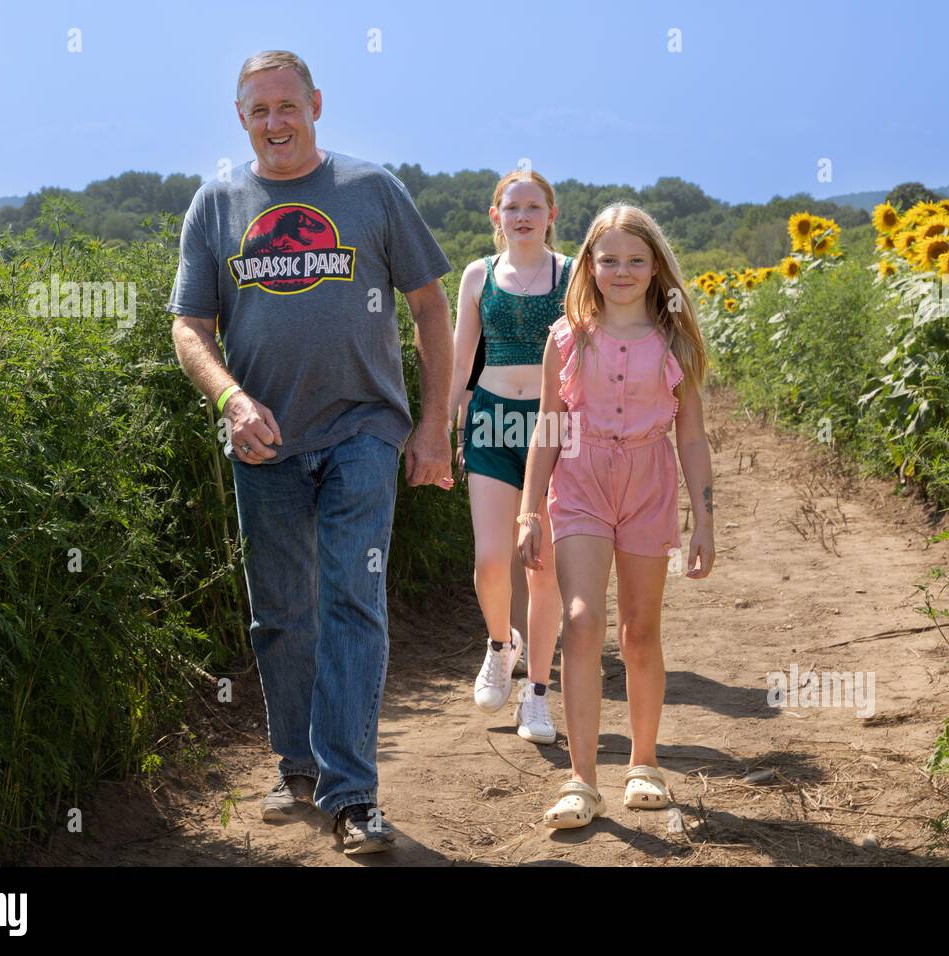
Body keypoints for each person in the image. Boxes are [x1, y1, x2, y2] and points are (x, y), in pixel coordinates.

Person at [168, 50, 454, 855]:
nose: (274, 123)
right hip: (265, 442)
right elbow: (190, 326)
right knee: (280, 611)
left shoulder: (371, 192)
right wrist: (229, 398)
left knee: (350, 599)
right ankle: (295, 763)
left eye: (287, 106)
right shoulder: (217, 205)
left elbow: (431, 307)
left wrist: (434, 425)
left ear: (316, 105)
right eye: (258, 111)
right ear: (240, 119)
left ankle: (352, 795)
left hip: (364, 426)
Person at [516, 202, 716, 829]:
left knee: (639, 629)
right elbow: (547, 429)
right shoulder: (567, 337)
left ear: (656, 266)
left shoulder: (676, 338)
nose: (622, 270)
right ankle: (580, 781)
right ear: (590, 265)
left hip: (649, 486)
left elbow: (691, 436)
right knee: (580, 620)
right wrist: (529, 511)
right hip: (579, 483)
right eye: (609, 260)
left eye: (635, 259)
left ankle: (645, 763)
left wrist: (703, 520)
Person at [448, 170, 570, 744]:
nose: (522, 216)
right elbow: (462, 359)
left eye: (533, 206)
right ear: (495, 216)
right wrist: (446, 424)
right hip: (491, 422)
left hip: (554, 430)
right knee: (492, 560)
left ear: (551, 214)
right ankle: (501, 644)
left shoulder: (572, 276)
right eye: (511, 207)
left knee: (541, 566)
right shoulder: (477, 276)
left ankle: (538, 697)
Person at [455, 332, 530, 678]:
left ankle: (525, 644)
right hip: (490, 427)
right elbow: (468, 373)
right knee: (500, 553)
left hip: (546, 423)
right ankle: (505, 640)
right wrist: (460, 435)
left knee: (530, 546)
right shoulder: (489, 295)